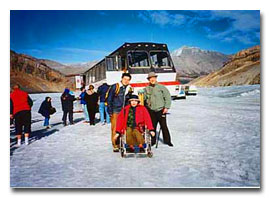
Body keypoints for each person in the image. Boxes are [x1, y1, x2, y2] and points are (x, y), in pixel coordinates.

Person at [143, 72, 174, 147]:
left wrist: (166, 107)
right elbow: (143, 99)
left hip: (161, 110)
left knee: (164, 126)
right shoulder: (146, 89)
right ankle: (152, 141)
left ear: (156, 78)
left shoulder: (161, 87)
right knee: (152, 126)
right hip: (151, 110)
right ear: (149, 79)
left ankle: (168, 141)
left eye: (153, 78)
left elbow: (167, 97)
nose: (152, 79)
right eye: (150, 78)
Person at [107, 73, 133, 152]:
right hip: (116, 111)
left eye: (128, 80)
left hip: (125, 111)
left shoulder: (129, 88)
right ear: (121, 78)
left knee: (124, 128)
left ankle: (123, 143)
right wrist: (110, 111)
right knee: (115, 129)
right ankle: (115, 145)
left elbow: (129, 100)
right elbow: (109, 99)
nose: (126, 81)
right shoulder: (116, 87)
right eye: (125, 79)